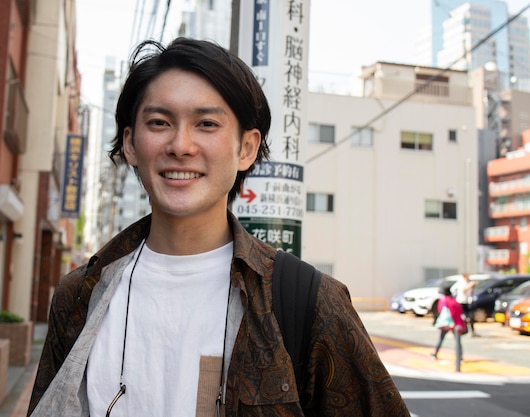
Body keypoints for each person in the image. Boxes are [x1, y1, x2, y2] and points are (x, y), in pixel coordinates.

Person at [27, 37, 410, 417]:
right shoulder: (79, 296)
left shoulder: (307, 301)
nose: (181, 145)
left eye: (206, 124)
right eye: (159, 122)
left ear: (246, 148)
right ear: (130, 144)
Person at [431, 284, 467, 372]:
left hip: (446, 323)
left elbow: (439, 310)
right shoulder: (454, 300)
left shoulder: (443, 300)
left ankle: (435, 353)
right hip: (455, 324)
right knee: (457, 341)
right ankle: (460, 357)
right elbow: (459, 311)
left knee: (441, 338)